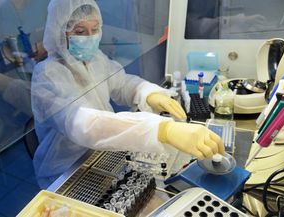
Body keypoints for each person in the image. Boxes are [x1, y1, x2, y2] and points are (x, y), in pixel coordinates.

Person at [31, 0, 224, 189]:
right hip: (66, 172)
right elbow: (85, 125)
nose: (89, 37)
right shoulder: (47, 75)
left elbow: (122, 83)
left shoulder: (96, 59)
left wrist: (147, 93)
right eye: (80, 32)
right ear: (59, 32)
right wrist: (161, 130)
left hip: (103, 154)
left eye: (95, 29)